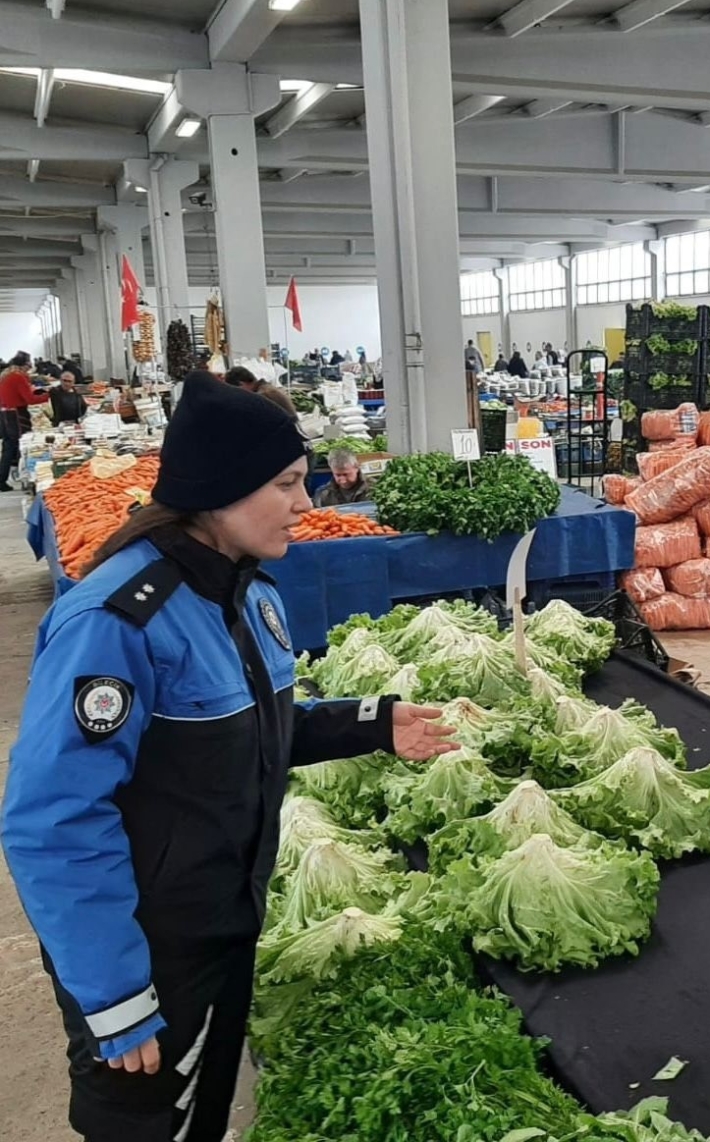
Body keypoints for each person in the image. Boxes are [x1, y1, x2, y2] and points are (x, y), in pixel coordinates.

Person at [1, 373, 457, 1142]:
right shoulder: (116, 622)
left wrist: (374, 724)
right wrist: (115, 997)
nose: (308, 504)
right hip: (147, 947)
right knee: (141, 1125)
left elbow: (254, 724)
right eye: (285, 484)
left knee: (205, 1106)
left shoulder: (250, 595)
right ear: (219, 490)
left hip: (225, 916)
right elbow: (54, 822)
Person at [0, 352, 50, 491]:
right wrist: (48, 395)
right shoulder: (18, 377)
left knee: (8, 446)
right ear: (25, 364)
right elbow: (30, 400)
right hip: (16, 414)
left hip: (4, 413)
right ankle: (27, 479)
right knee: (23, 446)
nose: (30, 367)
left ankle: (2, 479)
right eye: (29, 364)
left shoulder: (6, 375)